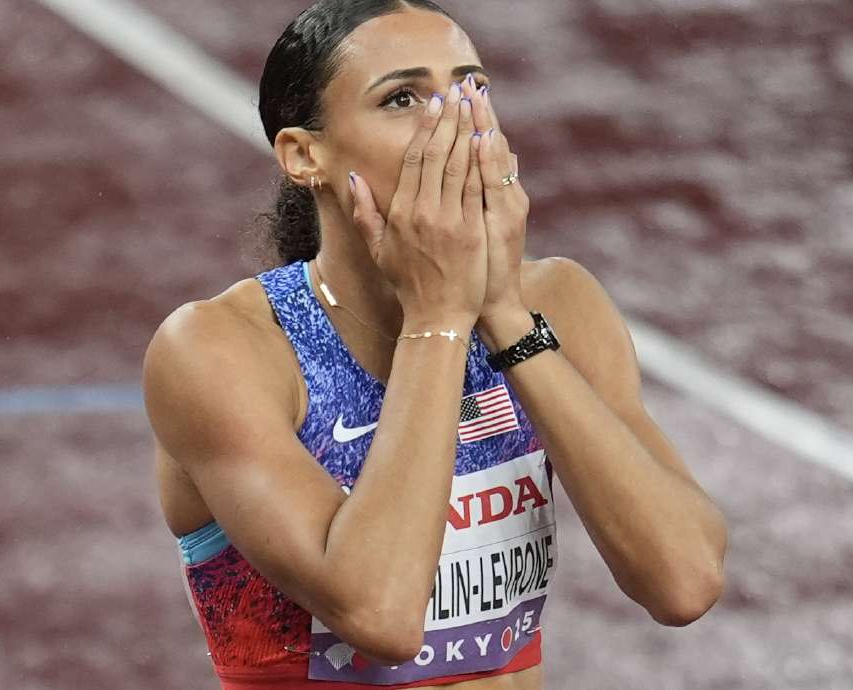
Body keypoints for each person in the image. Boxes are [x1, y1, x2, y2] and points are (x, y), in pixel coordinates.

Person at [142, 1, 728, 688]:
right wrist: (440, 318)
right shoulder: (222, 351)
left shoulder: (557, 303)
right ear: (306, 155)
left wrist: (505, 315)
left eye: (472, 88)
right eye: (402, 98)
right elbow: (382, 614)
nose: (455, 125)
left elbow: (684, 582)